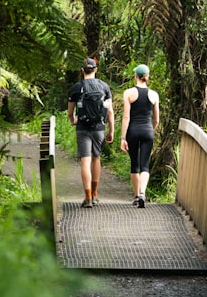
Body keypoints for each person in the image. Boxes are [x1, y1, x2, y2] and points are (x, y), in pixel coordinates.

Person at [67, 57, 114, 208]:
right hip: (99, 128)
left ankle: (87, 197)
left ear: (82, 70)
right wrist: (111, 130)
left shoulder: (76, 87)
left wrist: (72, 120)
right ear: (95, 70)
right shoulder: (104, 87)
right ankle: (94, 194)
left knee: (85, 161)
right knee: (96, 158)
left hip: (83, 128)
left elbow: (70, 112)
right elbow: (110, 112)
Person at [119, 63, 160, 208]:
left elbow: (126, 117)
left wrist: (123, 137)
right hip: (147, 130)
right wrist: (151, 129)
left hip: (133, 131)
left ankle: (136, 196)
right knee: (145, 165)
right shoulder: (154, 95)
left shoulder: (129, 93)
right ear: (147, 77)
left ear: (135, 76)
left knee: (134, 164)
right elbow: (156, 119)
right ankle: (143, 193)